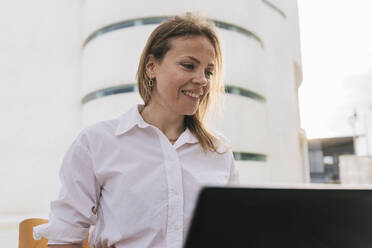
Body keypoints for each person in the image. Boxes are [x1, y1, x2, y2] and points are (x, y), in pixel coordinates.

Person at [33, 13, 239, 248]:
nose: (202, 80)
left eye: (209, 72)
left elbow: (232, 233)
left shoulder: (219, 152)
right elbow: (64, 240)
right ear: (152, 66)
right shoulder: (96, 143)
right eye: (189, 66)